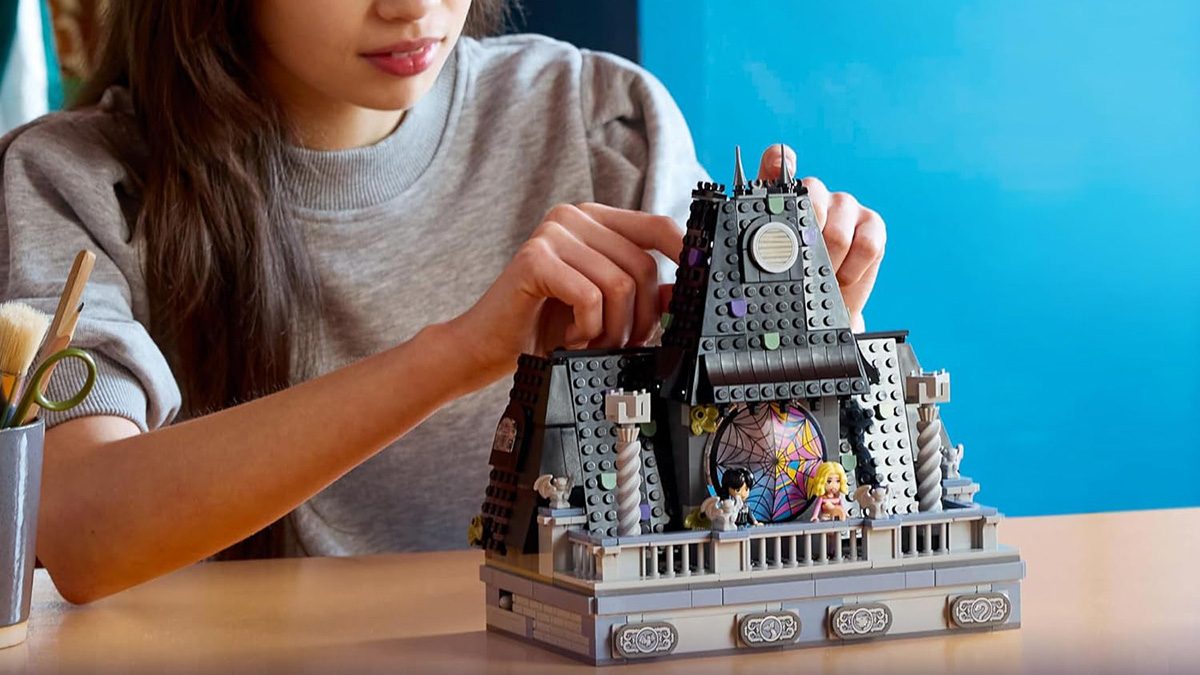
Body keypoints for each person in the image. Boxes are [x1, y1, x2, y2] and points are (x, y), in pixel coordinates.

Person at [0, 0, 886, 603]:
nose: (414, 5)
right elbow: (75, 526)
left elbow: (726, 504)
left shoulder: (595, 118)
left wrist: (804, 326)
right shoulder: (76, 182)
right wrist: (456, 354)